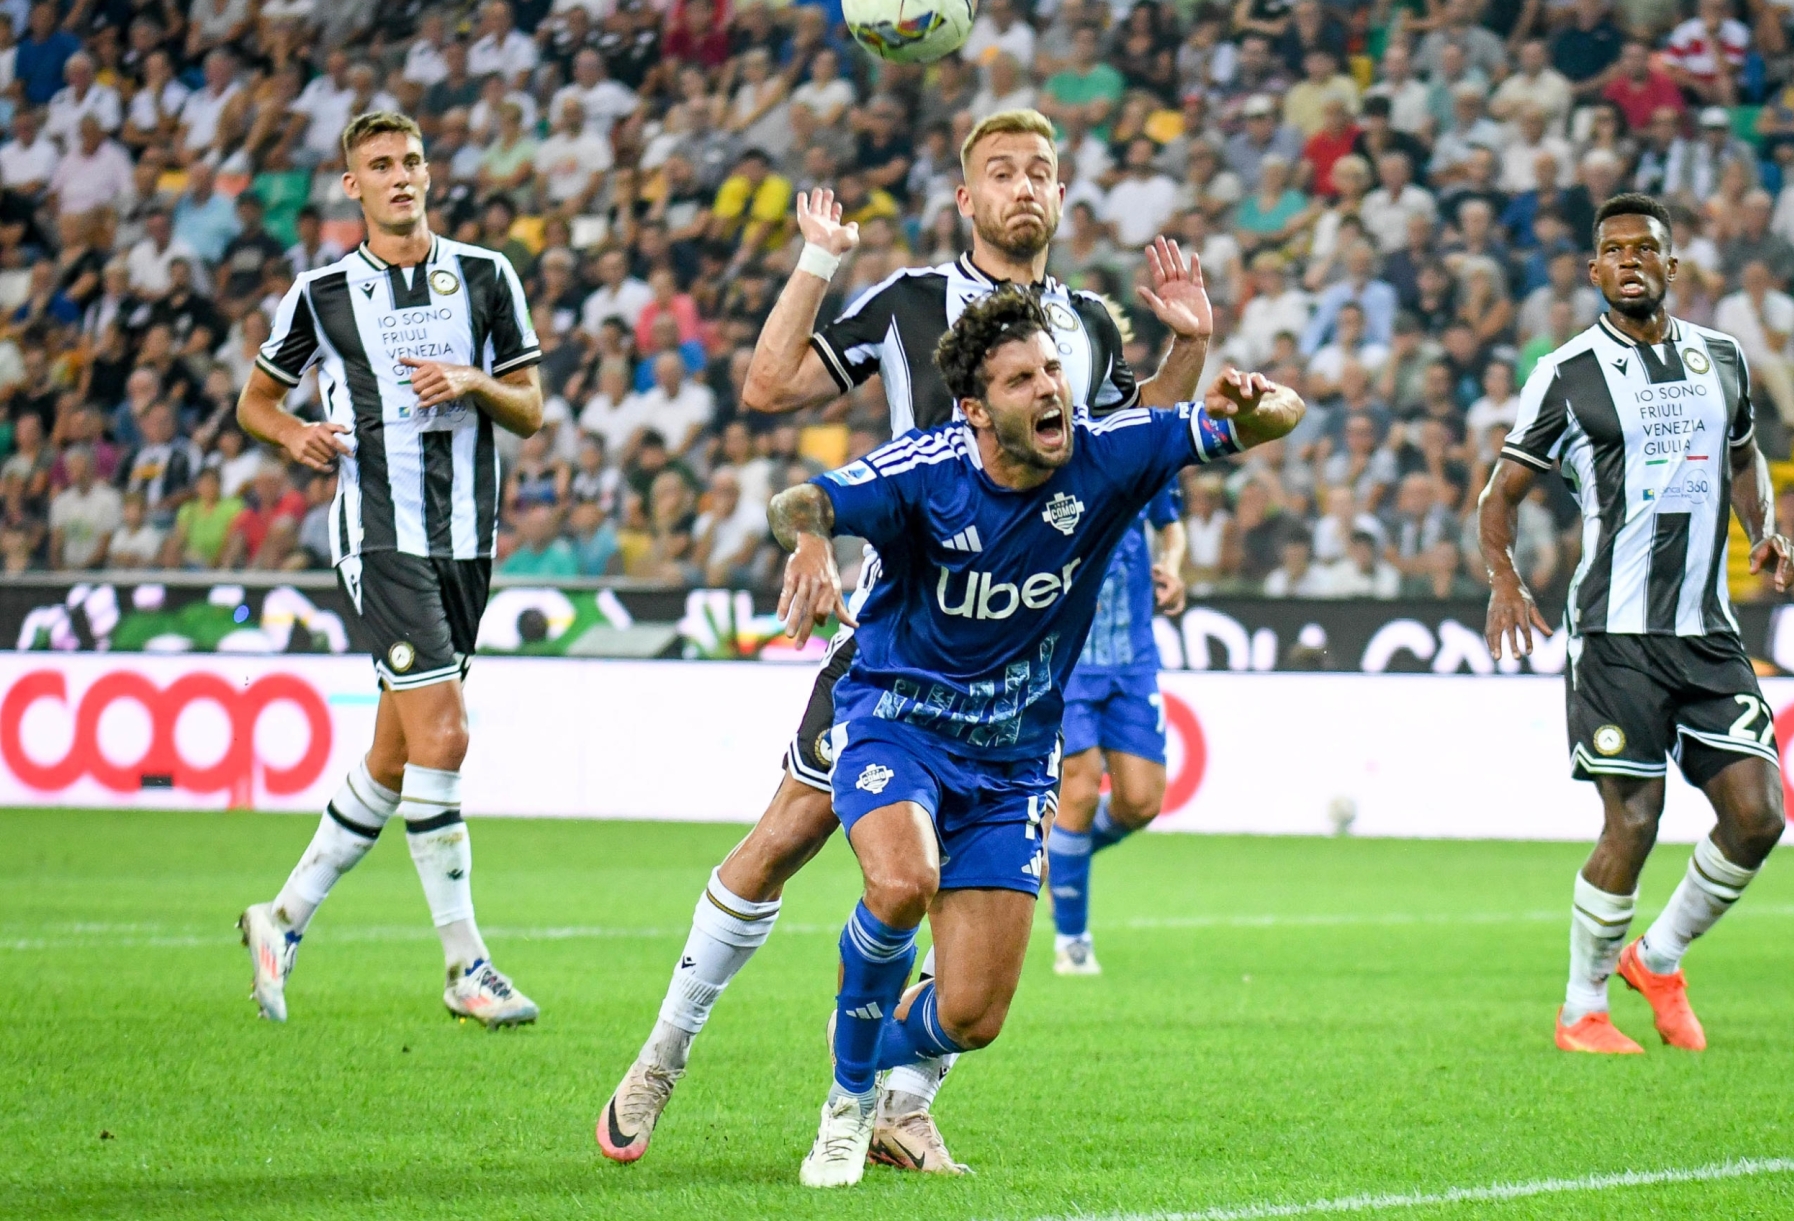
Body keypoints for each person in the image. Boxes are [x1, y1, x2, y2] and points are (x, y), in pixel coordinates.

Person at [593, 109, 1214, 1174]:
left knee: (975, 914)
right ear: (965, 201)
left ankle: (903, 1101)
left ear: (1062, 199)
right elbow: (767, 388)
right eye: (1001, 173)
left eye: (1042, 173)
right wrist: (817, 265)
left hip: (1023, 655)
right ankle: (663, 1053)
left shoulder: (1092, 326)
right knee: (786, 839)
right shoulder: (912, 302)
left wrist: (1190, 350)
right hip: (899, 647)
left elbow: (1137, 445)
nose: (1025, 187)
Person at [771, 287, 1303, 1187]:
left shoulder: (1109, 450)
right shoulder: (924, 468)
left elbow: (1278, 418)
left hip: (1014, 756)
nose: (1051, 387)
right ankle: (848, 1102)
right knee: (902, 881)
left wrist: (1257, 403)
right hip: (899, 721)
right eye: (1023, 378)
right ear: (976, 410)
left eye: (1054, 368)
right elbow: (799, 500)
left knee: (974, 1014)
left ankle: (862, 1019)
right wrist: (814, 546)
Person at [232, 112, 546, 1028]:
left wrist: (475, 382)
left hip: (467, 540)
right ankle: (465, 964)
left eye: (411, 161)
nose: (401, 176)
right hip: (378, 534)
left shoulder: (487, 276)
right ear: (351, 187)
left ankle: (280, 918)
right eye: (381, 165)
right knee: (443, 738)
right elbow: (256, 400)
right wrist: (296, 432)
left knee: (395, 752)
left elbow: (529, 408)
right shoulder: (321, 293)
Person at [1479, 192, 1794, 1056]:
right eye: (1613, 250)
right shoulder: (1566, 371)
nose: (1629, 260)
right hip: (1614, 635)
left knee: (1760, 815)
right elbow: (1499, 494)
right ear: (1594, 272)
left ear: (1671, 266)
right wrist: (1505, 580)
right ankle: (1582, 1009)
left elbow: (1744, 457)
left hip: (1708, 632)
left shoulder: (1722, 359)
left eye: (1644, 248)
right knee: (1634, 819)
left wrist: (1764, 530)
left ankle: (1658, 958)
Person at [1046, 482, 1184, 974]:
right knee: (1078, 792)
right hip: (1071, 659)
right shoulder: (1060, 455)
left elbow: (1171, 524)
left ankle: (1060, 855)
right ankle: (1072, 940)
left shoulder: (1146, 455)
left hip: (1132, 660)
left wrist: (1171, 563)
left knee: (1141, 801)